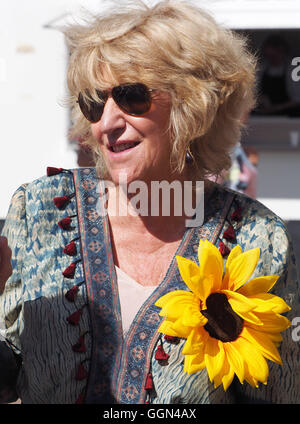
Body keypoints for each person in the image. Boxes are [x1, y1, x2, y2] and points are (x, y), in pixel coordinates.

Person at [0, 0, 299, 404]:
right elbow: (10, 369)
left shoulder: (255, 237)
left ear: (193, 104)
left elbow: (280, 394)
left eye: (130, 97)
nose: (106, 122)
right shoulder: (37, 212)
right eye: (93, 102)